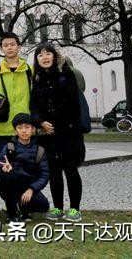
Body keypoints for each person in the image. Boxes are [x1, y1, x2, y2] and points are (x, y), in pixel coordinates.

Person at [29, 43, 85, 222]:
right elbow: (34, 104)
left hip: (68, 131)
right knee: (54, 172)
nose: (44, 57)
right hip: (48, 133)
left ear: (54, 56)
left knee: (70, 170)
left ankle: (75, 209)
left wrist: (50, 121)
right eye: (40, 55)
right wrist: (40, 122)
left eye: (47, 54)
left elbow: (69, 103)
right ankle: (58, 207)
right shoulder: (37, 78)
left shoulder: (66, 74)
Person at [0, 113, 50, 222]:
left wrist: (32, 189)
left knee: (43, 206)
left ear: (33, 129)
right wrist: (3, 169)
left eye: (27, 127)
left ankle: (22, 208)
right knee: (9, 178)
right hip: (11, 186)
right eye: (20, 128)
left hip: (28, 186)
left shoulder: (40, 150)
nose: (24, 131)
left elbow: (45, 174)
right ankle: (12, 214)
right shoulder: (9, 148)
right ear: (15, 131)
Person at [0, 32, 32, 150]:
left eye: (12, 44)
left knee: (25, 165)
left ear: (19, 46)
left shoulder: (29, 71)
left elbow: (36, 98)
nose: (9, 47)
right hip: (2, 128)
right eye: (6, 45)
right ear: (1, 49)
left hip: (25, 127)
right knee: (6, 165)